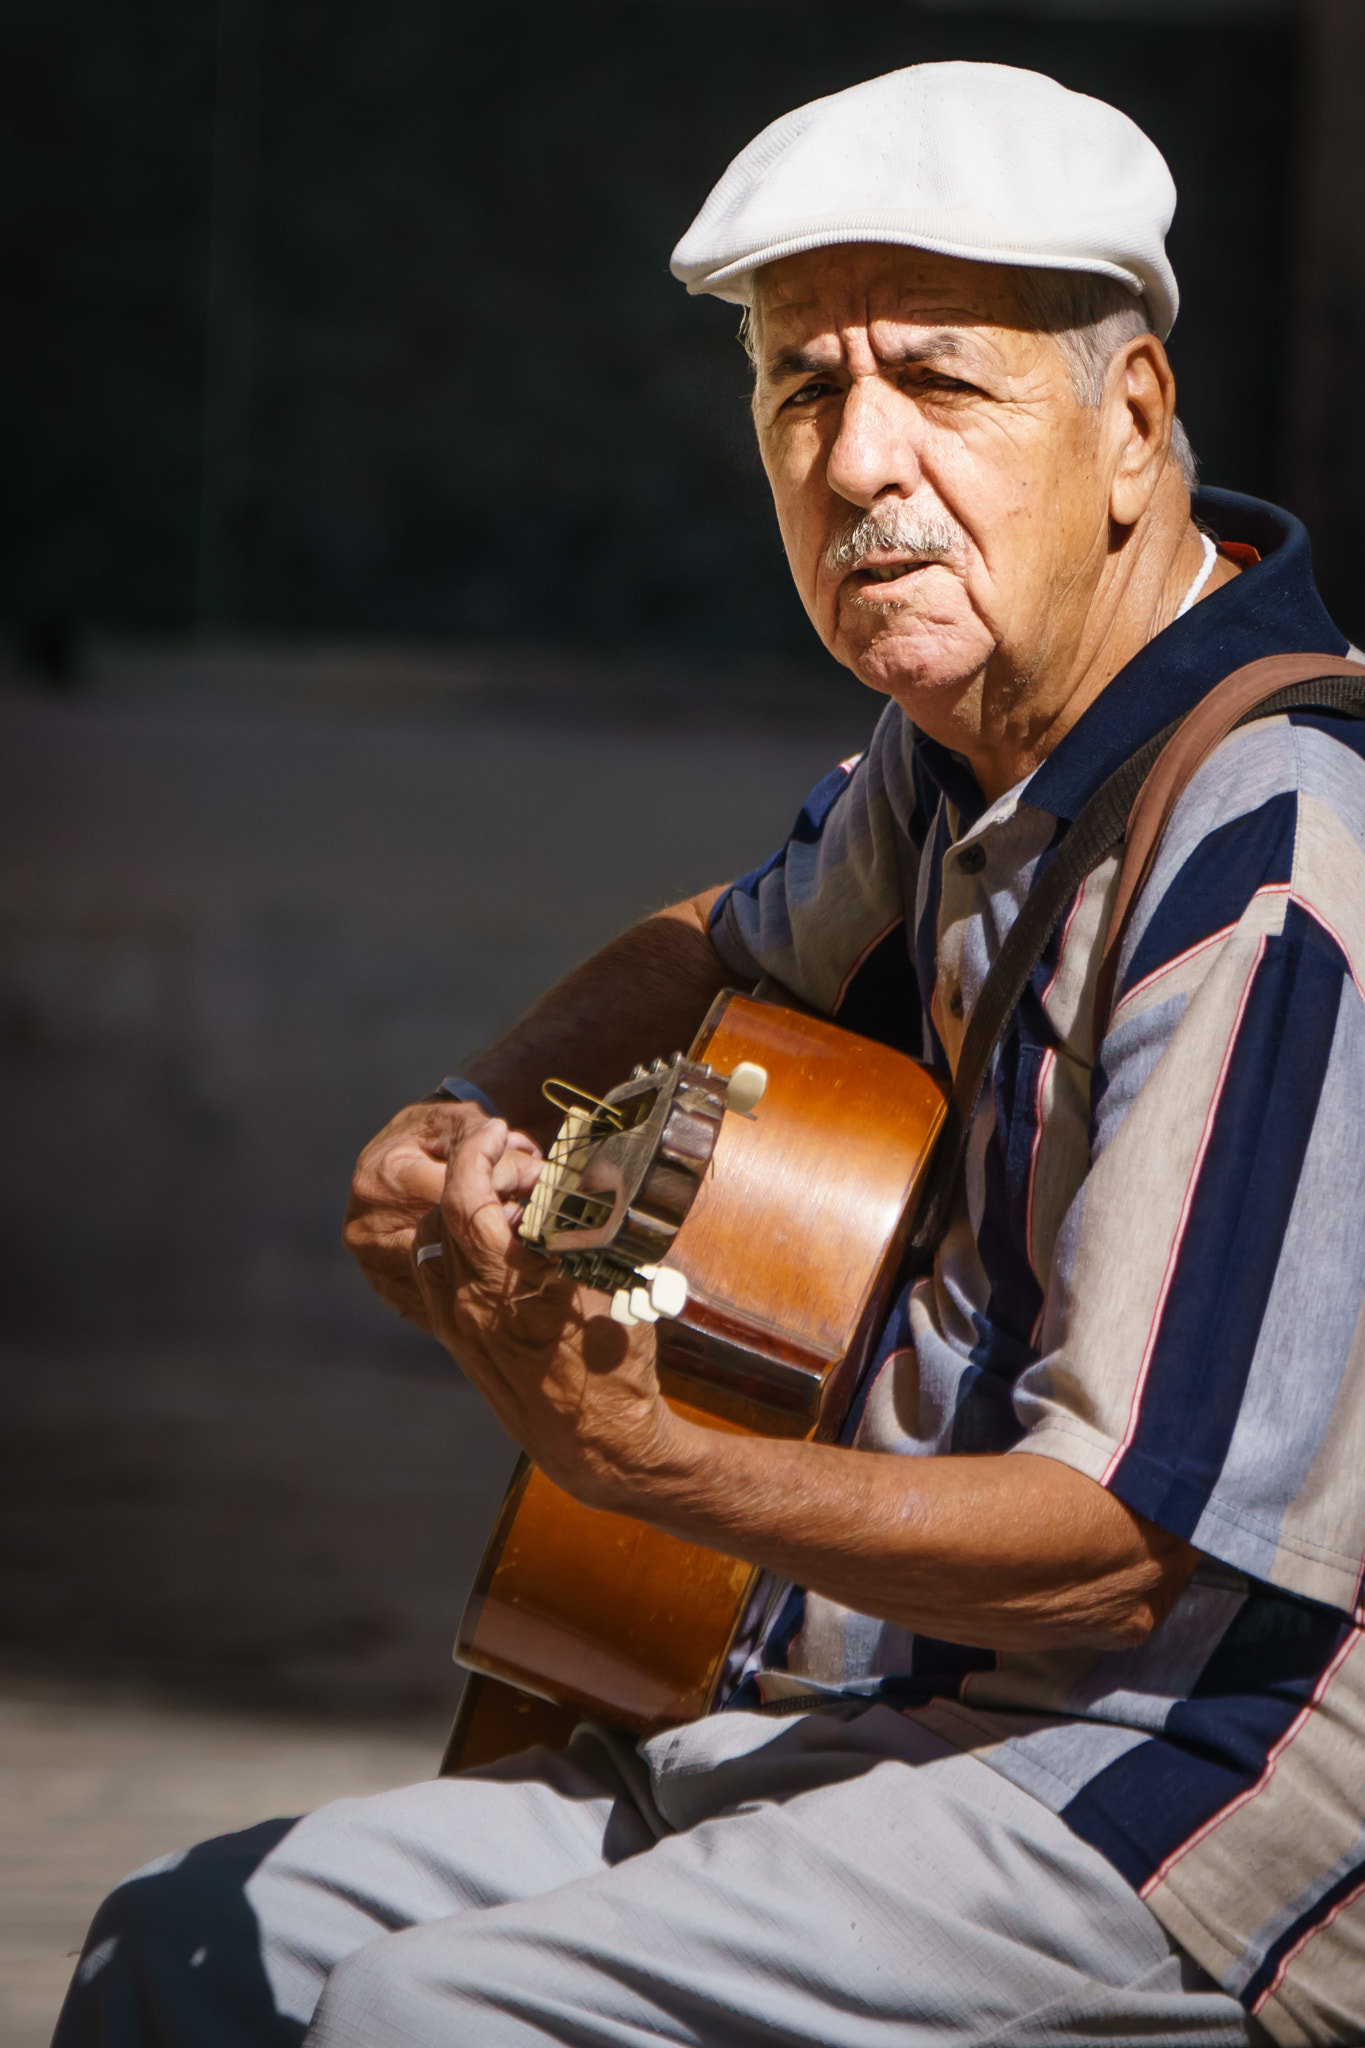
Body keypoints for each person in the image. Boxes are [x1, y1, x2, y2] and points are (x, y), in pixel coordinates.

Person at [55, 62, 1365, 2048]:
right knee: (189, 1945)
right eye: (798, 393)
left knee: (430, 2020)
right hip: (884, 1716)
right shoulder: (955, 754)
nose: (855, 464)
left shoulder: (1270, 856)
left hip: (1177, 1809)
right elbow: (722, 943)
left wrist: (657, 1462)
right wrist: (467, 1118)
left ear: (1126, 430)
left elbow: (1114, 1552)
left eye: (936, 383)